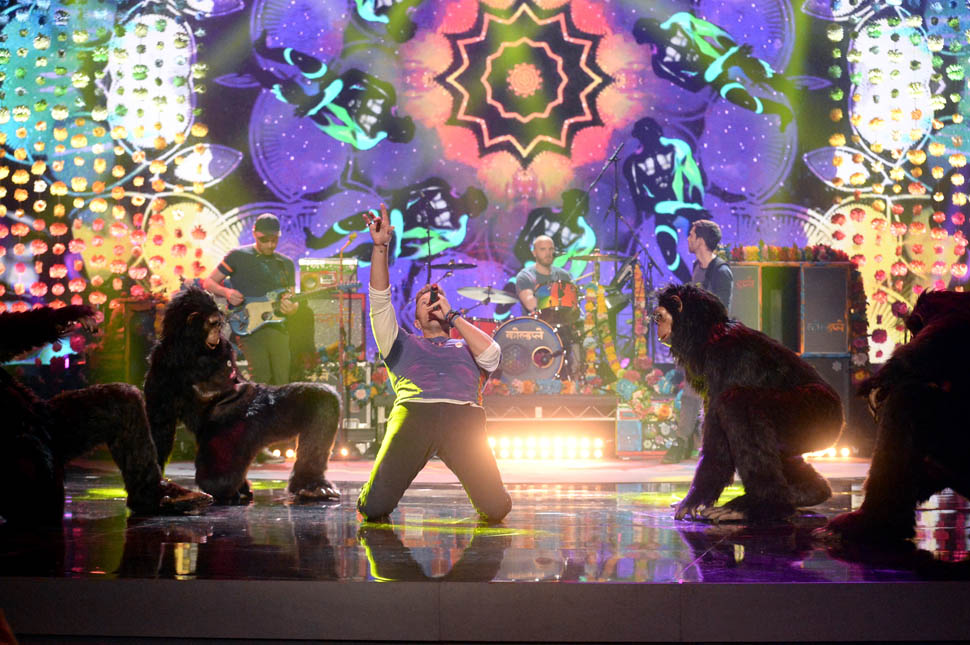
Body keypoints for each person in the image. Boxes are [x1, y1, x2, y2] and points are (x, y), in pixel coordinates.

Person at [356, 203, 512, 523]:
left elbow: (493, 356)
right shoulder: (400, 343)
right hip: (415, 415)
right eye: (423, 301)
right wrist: (381, 248)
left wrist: (453, 316)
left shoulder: (466, 344)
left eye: (437, 299)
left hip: (463, 419)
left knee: (497, 508)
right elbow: (380, 300)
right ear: (415, 320)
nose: (431, 301)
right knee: (374, 509)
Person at [633, 13, 795, 131]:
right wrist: (724, 62)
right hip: (717, 77)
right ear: (648, 41)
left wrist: (732, 51)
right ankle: (782, 111)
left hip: (726, 56)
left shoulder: (680, 22)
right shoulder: (660, 65)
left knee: (761, 74)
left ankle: (794, 91)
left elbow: (714, 32)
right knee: (745, 101)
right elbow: (694, 85)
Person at [663, 219, 734, 464]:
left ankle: (707, 446)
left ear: (701, 240)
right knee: (691, 394)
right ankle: (683, 443)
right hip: (695, 343)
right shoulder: (698, 268)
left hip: (712, 345)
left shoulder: (721, 272)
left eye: (691, 235)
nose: (688, 239)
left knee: (706, 396)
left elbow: (720, 313)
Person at [203, 213, 298, 386]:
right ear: (254, 233)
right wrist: (227, 292)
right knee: (261, 376)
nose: (270, 244)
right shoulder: (237, 256)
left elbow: (291, 298)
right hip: (248, 325)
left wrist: (292, 308)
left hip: (278, 326)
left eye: (274, 240)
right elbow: (208, 282)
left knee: (282, 378)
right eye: (264, 239)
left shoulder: (286, 264)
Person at [514, 235, 575, 316]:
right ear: (534, 253)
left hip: (562, 321)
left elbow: (571, 305)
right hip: (536, 323)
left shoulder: (564, 275)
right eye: (543, 249)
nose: (548, 253)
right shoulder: (525, 276)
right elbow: (531, 305)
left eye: (551, 249)